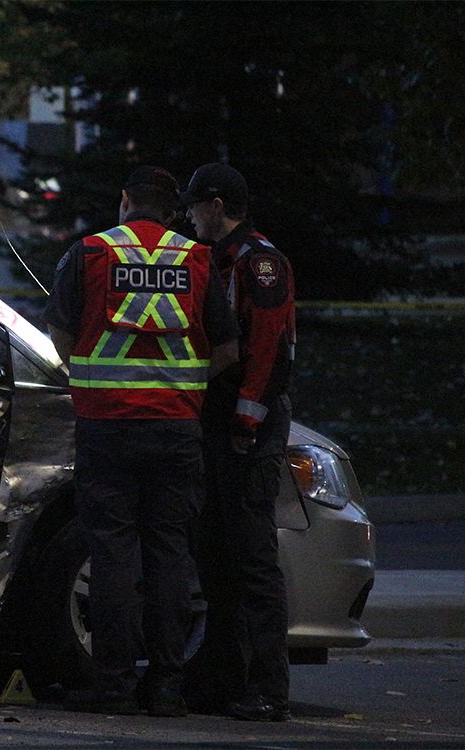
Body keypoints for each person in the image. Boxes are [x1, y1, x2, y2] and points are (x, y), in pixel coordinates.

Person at [44, 166, 239, 716]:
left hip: (107, 427)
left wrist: (92, 378)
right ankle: (169, 687)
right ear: (173, 210)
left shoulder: (89, 254)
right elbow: (227, 349)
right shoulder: (197, 258)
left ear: (125, 200)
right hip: (177, 429)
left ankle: (114, 685)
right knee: (169, 556)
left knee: (112, 557)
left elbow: (60, 334)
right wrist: (183, 385)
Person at [180, 163, 296, 722]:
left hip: (248, 419)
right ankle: (222, 674)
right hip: (218, 414)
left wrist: (247, 422)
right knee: (214, 550)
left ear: (218, 205)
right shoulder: (212, 258)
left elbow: (269, 351)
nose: (189, 215)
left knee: (252, 555)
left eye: (196, 205)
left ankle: (269, 684)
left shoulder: (260, 263)